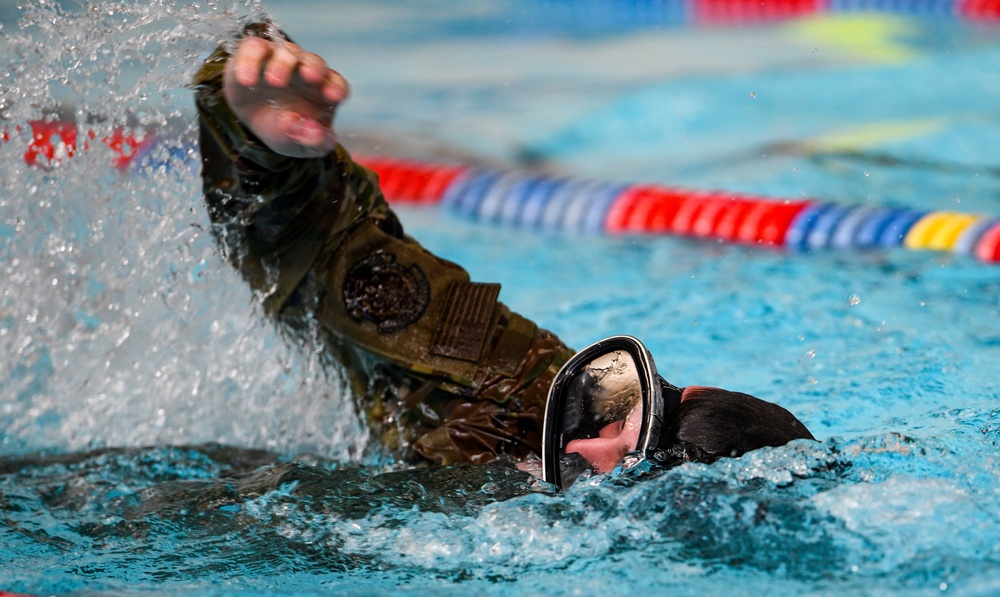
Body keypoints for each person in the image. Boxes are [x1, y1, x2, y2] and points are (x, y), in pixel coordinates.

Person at [192, 23, 814, 490]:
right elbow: (328, 250)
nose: (581, 451)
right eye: (620, 418)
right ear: (679, 388)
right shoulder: (505, 380)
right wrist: (261, 145)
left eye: (626, 472)